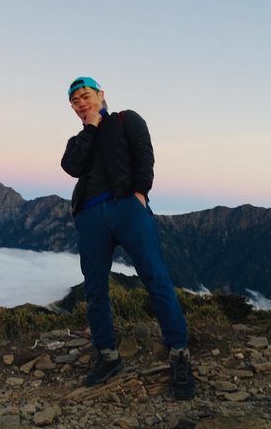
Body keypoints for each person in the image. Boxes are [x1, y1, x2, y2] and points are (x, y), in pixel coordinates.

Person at [60, 76, 195, 400]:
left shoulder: (126, 119)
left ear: (101, 94)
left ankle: (179, 353)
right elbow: (71, 167)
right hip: (90, 215)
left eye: (85, 96)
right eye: (75, 101)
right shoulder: (78, 140)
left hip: (127, 207)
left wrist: (140, 193)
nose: (80, 103)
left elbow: (144, 154)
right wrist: (90, 129)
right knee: (94, 288)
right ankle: (108, 356)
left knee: (155, 277)